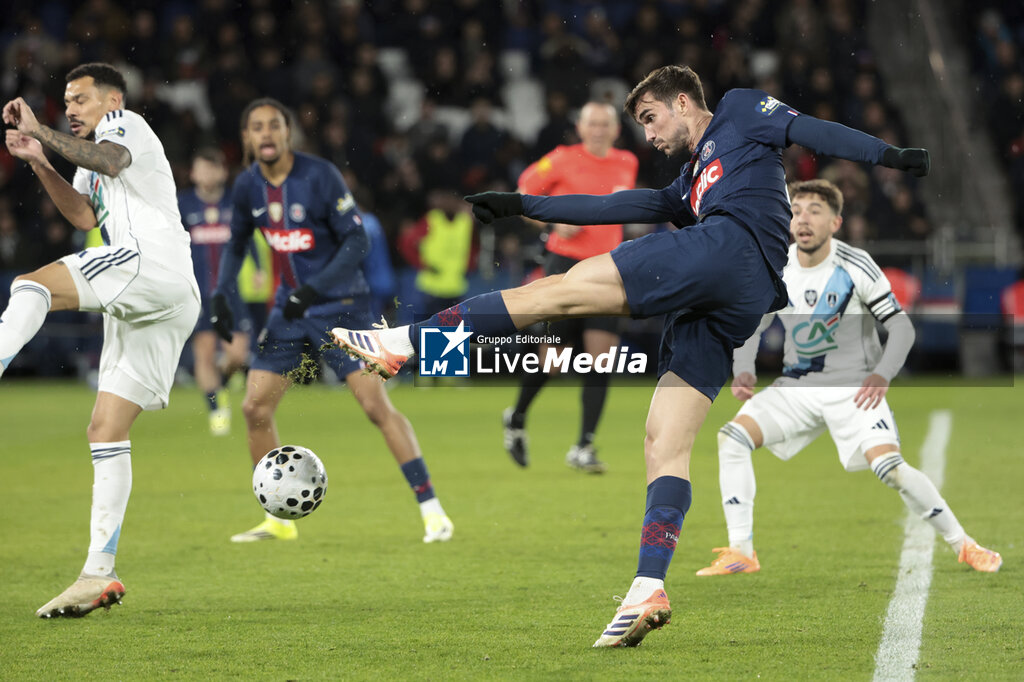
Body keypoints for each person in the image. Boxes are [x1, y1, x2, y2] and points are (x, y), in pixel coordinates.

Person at [331, 65, 930, 647]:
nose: (648, 134)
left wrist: (889, 156)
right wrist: (523, 204)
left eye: (650, 117)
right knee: (662, 440)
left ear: (684, 103)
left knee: (554, 291)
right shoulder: (689, 180)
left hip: (728, 248)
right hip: (736, 301)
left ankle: (404, 341)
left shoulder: (741, 110)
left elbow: (812, 131)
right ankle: (649, 586)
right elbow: (617, 204)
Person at [698, 179, 1001, 576]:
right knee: (732, 438)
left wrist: (882, 373)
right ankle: (742, 550)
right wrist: (744, 367)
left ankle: (964, 544)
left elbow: (902, 328)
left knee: (891, 469)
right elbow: (751, 326)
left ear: (836, 222)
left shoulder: (855, 265)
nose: (803, 219)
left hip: (855, 390)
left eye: (815, 211)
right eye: (797, 210)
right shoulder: (776, 264)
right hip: (798, 386)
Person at [2, 62, 201, 618]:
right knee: (105, 429)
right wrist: (42, 162)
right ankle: (99, 572)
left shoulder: (125, 125)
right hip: (168, 296)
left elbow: (110, 159)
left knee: (31, 284)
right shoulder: (89, 153)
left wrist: (42, 130)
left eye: (79, 99)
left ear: (110, 99)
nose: (71, 108)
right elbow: (87, 215)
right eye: (66, 101)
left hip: (149, 265)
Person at [212, 98, 453, 544]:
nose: (265, 134)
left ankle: (433, 511)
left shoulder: (319, 176)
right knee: (253, 408)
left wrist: (314, 288)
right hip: (291, 309)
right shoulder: (247, 186)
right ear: (247, 137)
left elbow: (357, 242)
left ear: (288, 133)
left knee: (375, 408)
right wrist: (222, 294)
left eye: (273, 126)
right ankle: (278, 521)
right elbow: (237, 242)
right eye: (256, 127)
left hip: (344, 307)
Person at [502, 101, 638, 472]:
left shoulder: (627, 162)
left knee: (601, 358)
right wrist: (552, 225)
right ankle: (516, 417)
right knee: (554, 360)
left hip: (609, 269)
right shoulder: (560, 159)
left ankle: (584, 446)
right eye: (591, 123)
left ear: (615, 130)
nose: (598, 130)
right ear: (580, 127)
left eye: (604, 124)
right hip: (565, 266)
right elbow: (522, 197)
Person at [180, 147, 258, 436]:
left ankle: (221, 384)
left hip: (230, 292)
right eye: (202, 168)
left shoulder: (234, 205)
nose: (207, 174)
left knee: (237, 354)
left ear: (222, 173)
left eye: (213, 169)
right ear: (193, 174)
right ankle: (216, 410)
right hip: (197, 292)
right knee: (204, 353)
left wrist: (259, 268)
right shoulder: (183, 205)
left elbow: (246, 238)